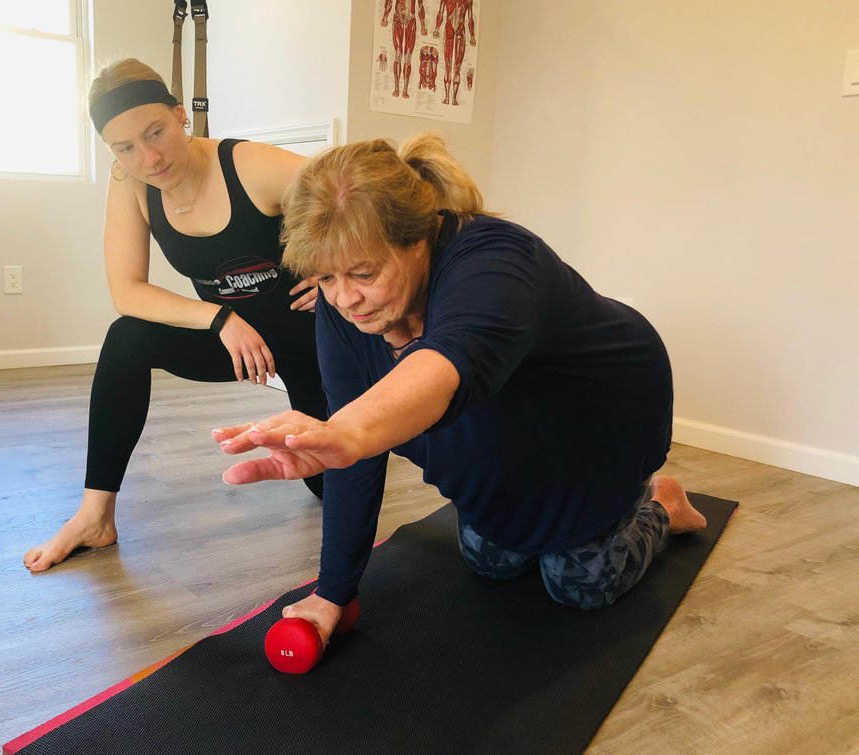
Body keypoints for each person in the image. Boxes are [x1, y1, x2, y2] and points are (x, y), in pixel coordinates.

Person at [213, 134, 707, 642]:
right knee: (490, 561)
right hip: (508, 419)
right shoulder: (345, 307)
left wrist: (347, 432)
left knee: (581, 585)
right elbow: (351, 450)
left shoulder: (497, 259)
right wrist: (333, 592)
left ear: (417, 241)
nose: (343, 299)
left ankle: (662, 506)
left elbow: (446, 363)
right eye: (324, 278)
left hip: (595, 412)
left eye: (363, 273)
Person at [23, 59, 326, 572]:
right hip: (239, 342)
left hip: (314, 345)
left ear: (181, 115)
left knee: (328, 485)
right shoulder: (131, 181)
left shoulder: (250, 165)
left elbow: (373, 193)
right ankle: (95, 516)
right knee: (127, 338)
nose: (148, 158)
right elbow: (127, 292)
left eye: (155, 132)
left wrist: (342, 271)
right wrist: (220, 319)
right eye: (124, 148)